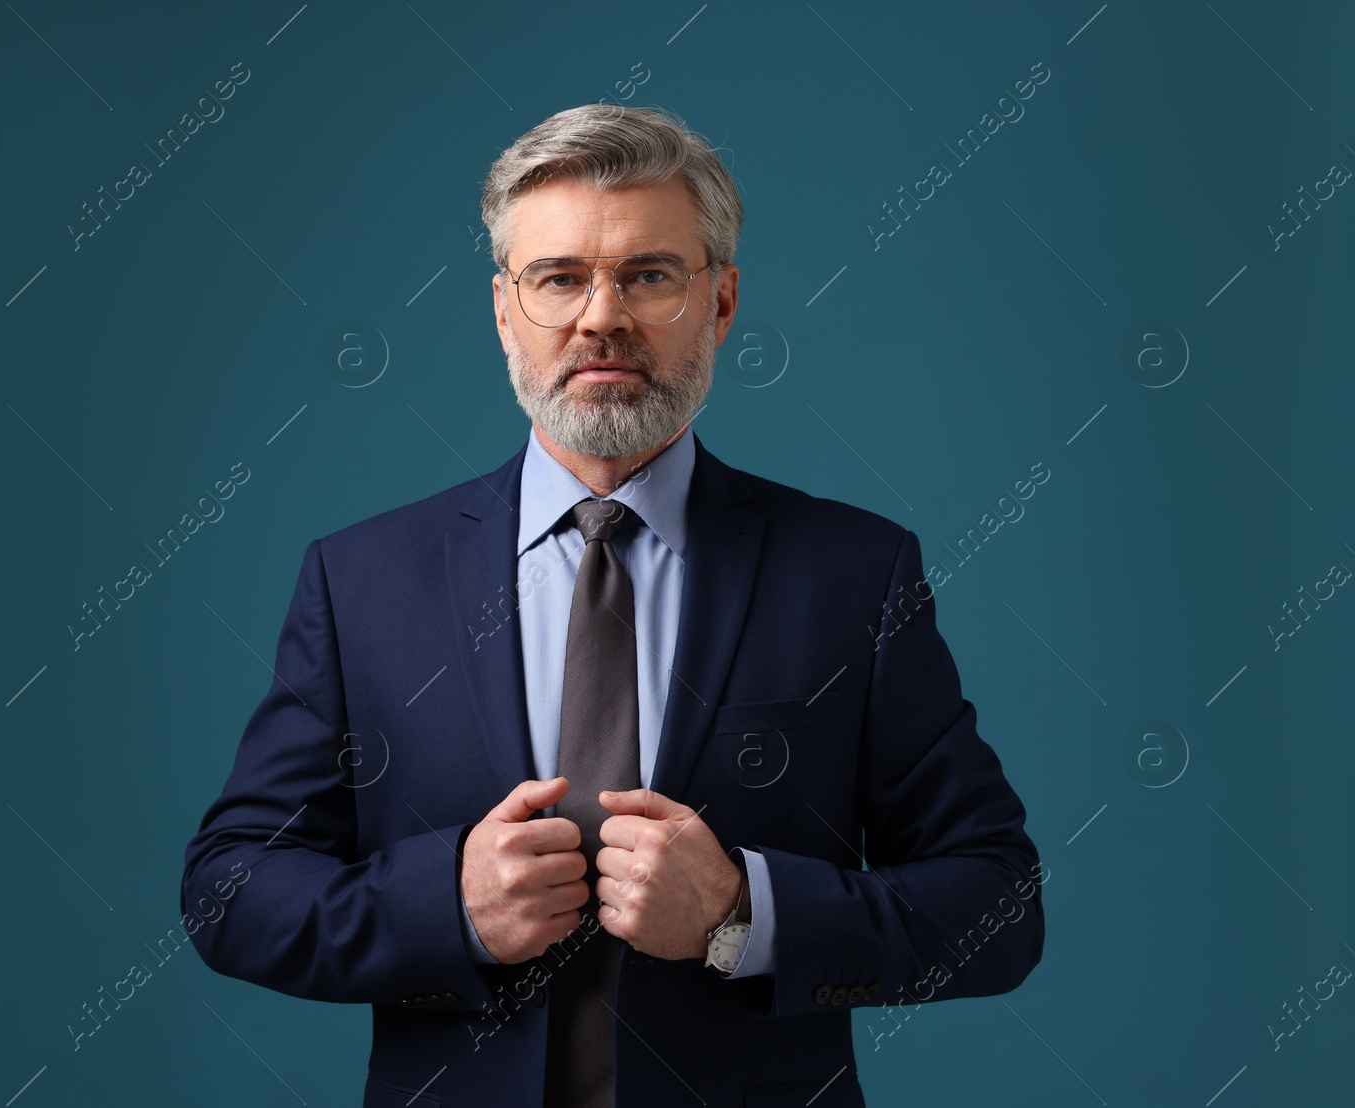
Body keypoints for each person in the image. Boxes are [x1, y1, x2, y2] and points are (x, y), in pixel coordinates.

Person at [181, 102, 1044, 1108]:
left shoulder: (852, 574)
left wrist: (741, 912)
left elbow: (998, 904)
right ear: (504, 311)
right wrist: (443, 907)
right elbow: (227, 892)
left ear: (719, 304)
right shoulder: (361, 580)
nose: (601, 317)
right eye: (559, 278)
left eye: (647, 275)